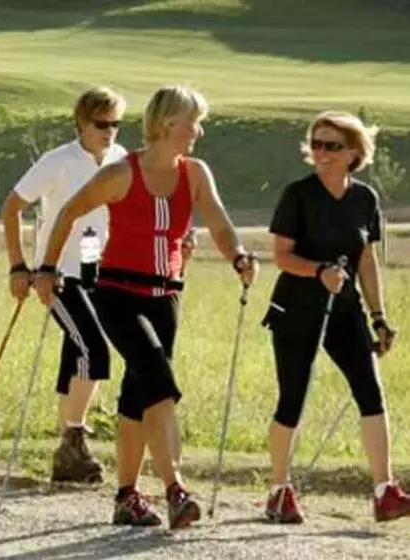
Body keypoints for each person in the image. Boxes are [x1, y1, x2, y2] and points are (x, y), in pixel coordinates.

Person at [32, 85, 258, 529]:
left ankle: (126, 497)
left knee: (139, 396)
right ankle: (176, 488)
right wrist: (45, 268)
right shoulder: (121, 173)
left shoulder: (194, 173)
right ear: (170, 124)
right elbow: (67, 213)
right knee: (159, 379)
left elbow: (217, 220)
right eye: (194, 122)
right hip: (119, 294)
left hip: (166, 296)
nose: (200, 131)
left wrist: (239, 255)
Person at [261, 110, 410, 524]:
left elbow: (366, 261)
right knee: (292, 398)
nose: (321, 153)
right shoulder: (298, 194)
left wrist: (378, 316)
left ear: (354, 153)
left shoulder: (365, 199)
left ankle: (385, 490)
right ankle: (279, 490)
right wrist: (319, 271)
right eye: (316, 144)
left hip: (345, 310)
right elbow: (281, 256)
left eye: (332, 146)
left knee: (371, 393)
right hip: (296, 309)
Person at [1, 86, 128, 484]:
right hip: (56, 272)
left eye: (116, 124)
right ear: (81, 124)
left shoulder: (121, 159)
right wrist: (19, 266)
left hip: (97, 271)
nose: (109, 132)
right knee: (94, 350)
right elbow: (12, 207)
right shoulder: (58, 160)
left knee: (77, 352)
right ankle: (74, 437)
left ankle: (66, 451)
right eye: (101, 124)